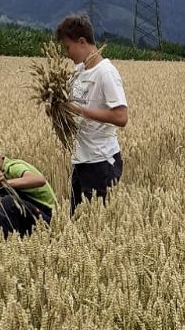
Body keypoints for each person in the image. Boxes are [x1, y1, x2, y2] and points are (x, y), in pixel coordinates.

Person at [54, 14, 129, 214]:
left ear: (82, 42)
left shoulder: (106, 72)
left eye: (68, 47)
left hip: (101, 161)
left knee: (95, 226)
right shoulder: (78, 72)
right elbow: (71, 106)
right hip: (81, 160)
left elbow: (121, 117)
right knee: (77, 222)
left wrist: (80, 110)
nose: (67, 54)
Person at [0, 137, 57, 240]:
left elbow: (39, 180)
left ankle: (8, 249)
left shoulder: (12, 167)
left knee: (8, 202)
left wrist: (6, 183)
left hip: (48, 218)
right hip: (26, 220)